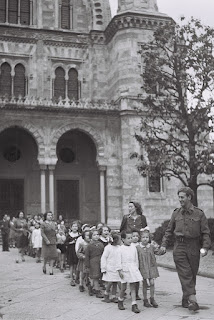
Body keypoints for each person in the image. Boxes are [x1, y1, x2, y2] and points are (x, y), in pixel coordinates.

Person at [159, 187, 211, 312]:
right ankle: (193, 301)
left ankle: (185, 298)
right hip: (179, 247)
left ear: (189, 197)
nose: (180, 200)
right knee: (186, 273)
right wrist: (164, 245)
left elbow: (205, 232)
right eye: (179, 197)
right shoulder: (176, 213)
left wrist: (205, 247)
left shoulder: (199, 214)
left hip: (194, 246)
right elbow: (169, 231)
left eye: (182, 197)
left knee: (192, 273)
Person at [117, 230, 143, 313]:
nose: (130, 240)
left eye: (131, 238)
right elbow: (118, 261)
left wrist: (136, 268)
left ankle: (134, 304)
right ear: (123, 239)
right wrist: (119, 270)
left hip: (132, 268)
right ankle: (120, 300)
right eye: (128, 238)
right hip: (124, 269)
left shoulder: (133, 247)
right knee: (123, 287)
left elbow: (136, 259)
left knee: (133, 286)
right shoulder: (120, 249)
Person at [136, 227, 160, 308]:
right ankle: (145, 299)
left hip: (151, 266)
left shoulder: (151, 246)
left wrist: (162, 250)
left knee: (152, 282)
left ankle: (152, 298)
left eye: (147, 237)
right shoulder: (138, 247)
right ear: (140, 238)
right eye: (143, 237)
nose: (145, 239)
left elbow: (158, 251)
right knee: (145, 284)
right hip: (143, 267)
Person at [101, 233, 121, 303]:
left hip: (116, 268)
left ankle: (113, 296)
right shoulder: (108, 248)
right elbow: (104, 258)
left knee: (115, 282)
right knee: (110, 282)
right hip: (109, 267)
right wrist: (103, 268)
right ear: (115, 240)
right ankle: (106, 294)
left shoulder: (119, 248)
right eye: (119, 239)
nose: (120, 241)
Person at [85, 229, 104, 298]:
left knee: (98, 276)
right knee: (95, 277)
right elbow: (87, 256)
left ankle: (91, 287)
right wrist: (87, 265)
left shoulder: (101, 244)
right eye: (94, 235)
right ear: (91, 236)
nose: (96, 236)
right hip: (93, 262)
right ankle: (97, 290)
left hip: (100, 261)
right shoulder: (89, 245)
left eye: (97, 235)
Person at [65, 221, 80, 286]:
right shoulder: (69, 235)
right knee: (71, 265)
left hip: (77, 251)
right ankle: (71, 279)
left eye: (76, 226)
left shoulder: (79, 235)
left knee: (76, 265)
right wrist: (70, 243)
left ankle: (76, 277)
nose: (74, 227)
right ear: (71, 227)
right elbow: (65, 243)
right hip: (70, 251)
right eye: (73, 226)